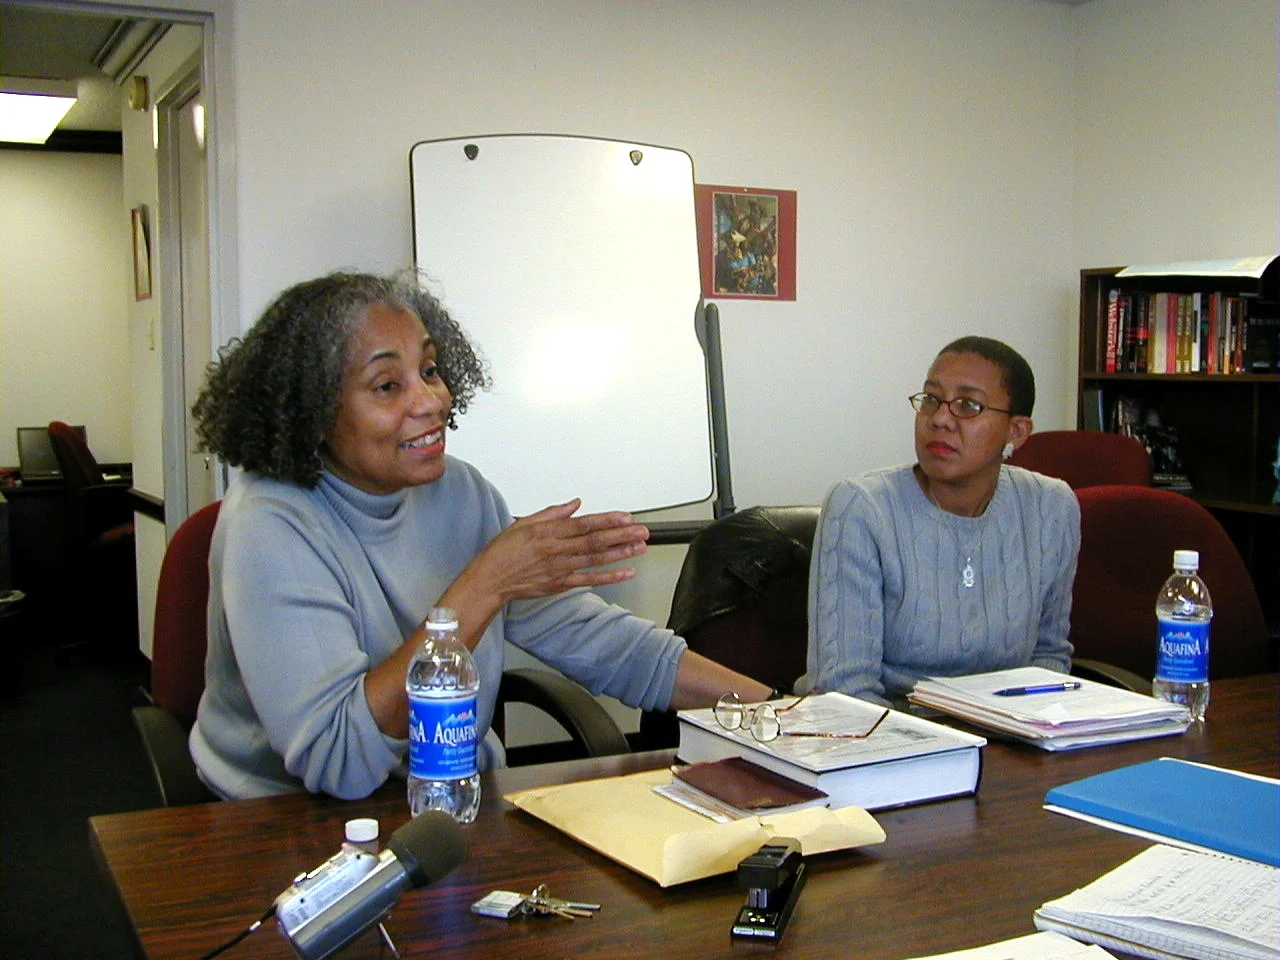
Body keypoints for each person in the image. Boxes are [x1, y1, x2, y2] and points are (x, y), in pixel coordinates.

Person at [189, 270, 771, 801]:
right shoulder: (271, 524)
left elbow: (596, 639)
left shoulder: (461, 493)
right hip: (282, 822)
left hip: (455, 796)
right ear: (313, 411)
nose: (431, 401)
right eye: (387, 386)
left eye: (431, 370)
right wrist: (484, 584)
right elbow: (341, 761)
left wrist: (775, 713)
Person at [799, 336, 1080, 709]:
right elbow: (844, 691)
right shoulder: (862, 508)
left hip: (1012, 739)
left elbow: (1049, 658)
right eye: (931, 399)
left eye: (967, 405)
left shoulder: (1051, 506)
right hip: (889, 742)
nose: (940, 419)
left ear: (1016, 432)